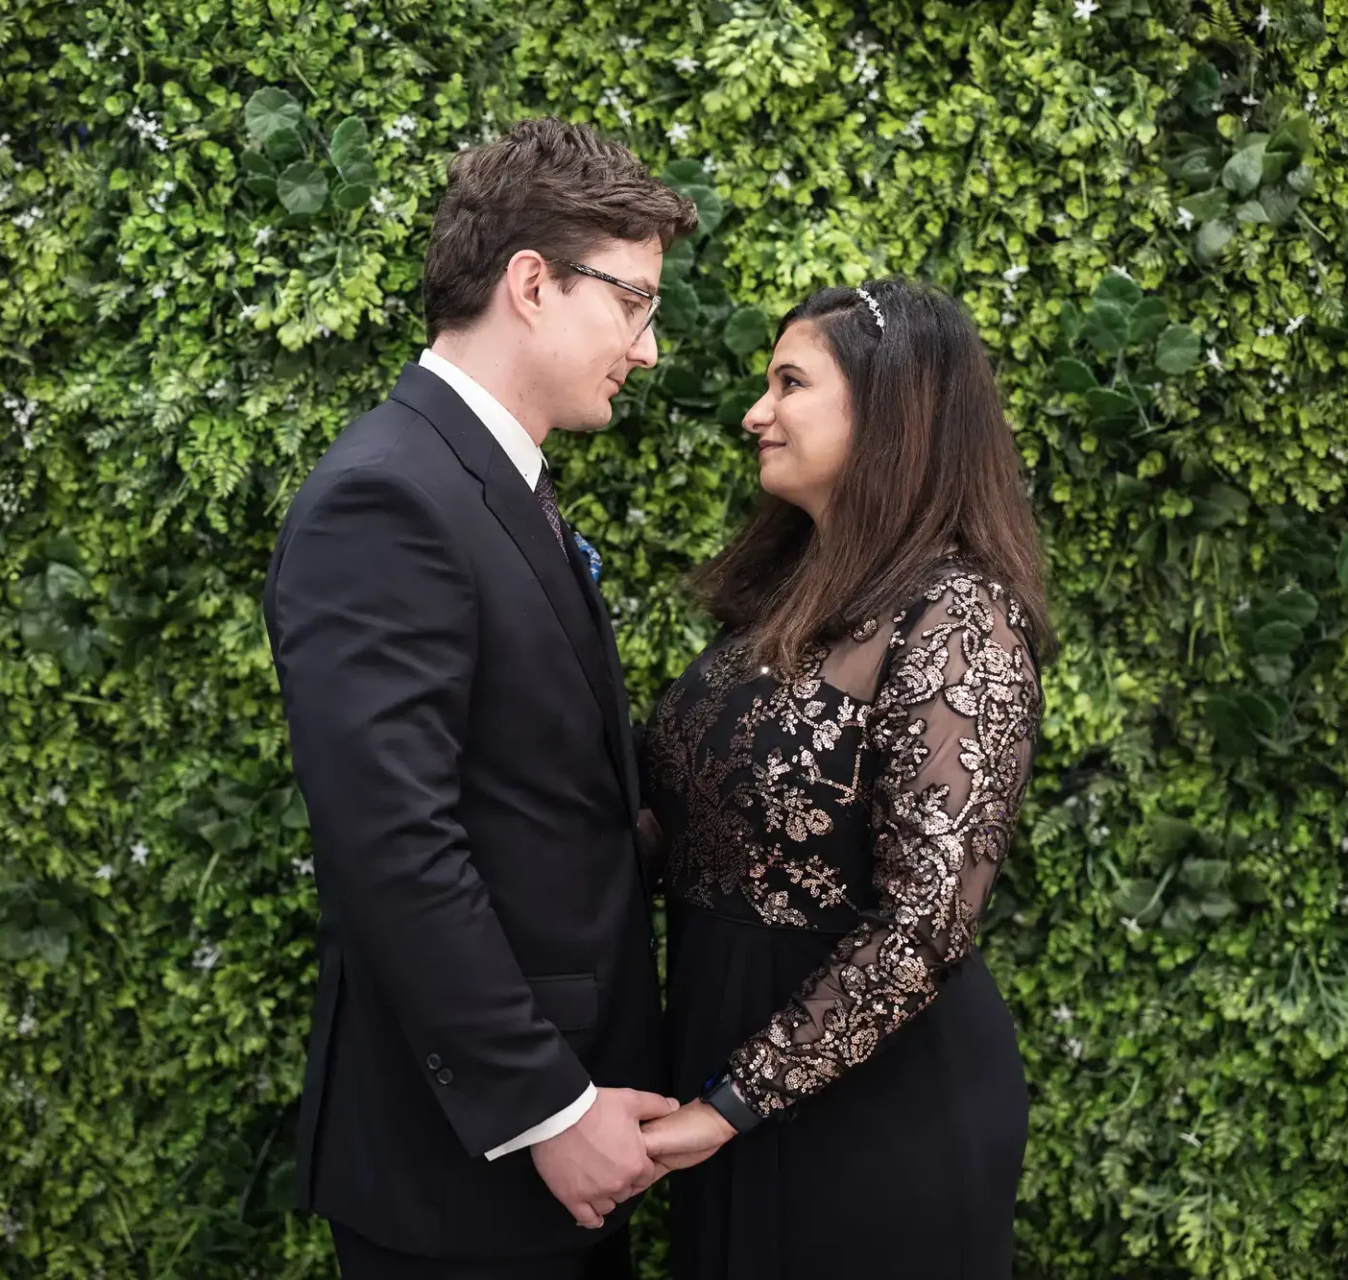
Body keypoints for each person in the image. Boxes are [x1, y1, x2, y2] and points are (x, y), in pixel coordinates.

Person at [261, 117, 698, 1279]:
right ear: (533, 283)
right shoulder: (388, 498)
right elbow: (393, 844)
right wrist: (549, 1105)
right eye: (636, 301)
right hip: (469, 1169)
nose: (649, 348)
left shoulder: (484, 479)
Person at [636, 279, 1053, 1277]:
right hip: (728, 1069)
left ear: (889, 411)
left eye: (790, 383)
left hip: (876, 1108)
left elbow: (927, 921)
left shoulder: (959, 620)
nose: (755, 412)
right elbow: (696, 824)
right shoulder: (787, 596)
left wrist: (732, 1100)